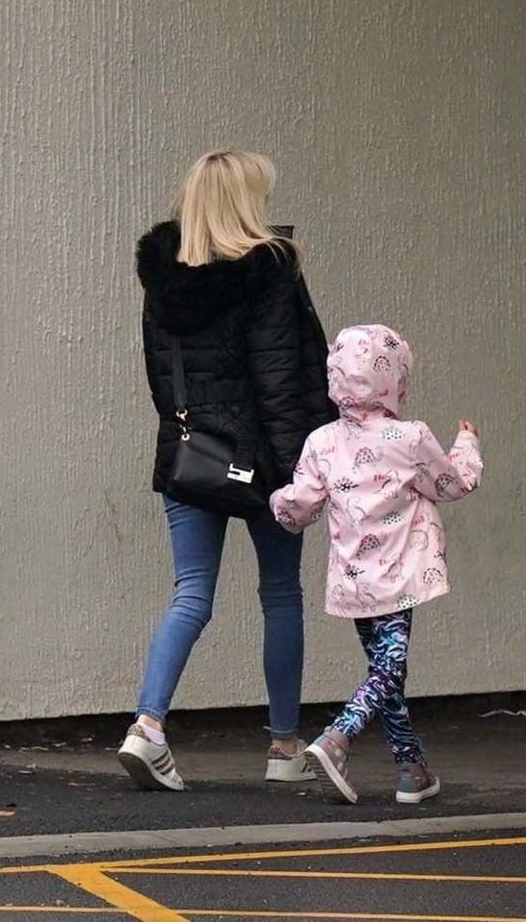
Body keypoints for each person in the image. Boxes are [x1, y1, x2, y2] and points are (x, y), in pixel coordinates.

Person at [121, 149, 332, 793]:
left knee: (190, 593)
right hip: (265, 462)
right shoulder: (270, 270)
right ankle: (284, 746)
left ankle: (148, 728)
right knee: (280, 595)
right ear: (245, 203)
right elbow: (280, 379)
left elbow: (161, 377)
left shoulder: (163, 279)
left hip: (192, 456)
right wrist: (302, 469)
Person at [268, 323, 483, 806]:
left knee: (386, 671)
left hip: (352, 579)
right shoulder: (408, 437)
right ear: (395, 380)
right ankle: (338, 737)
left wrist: (274, 499)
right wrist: (467, 443)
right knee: (389, 668)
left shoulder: (320, 442)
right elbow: (451, 484)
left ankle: (412, 769)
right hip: (400, 575)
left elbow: (299, 507)